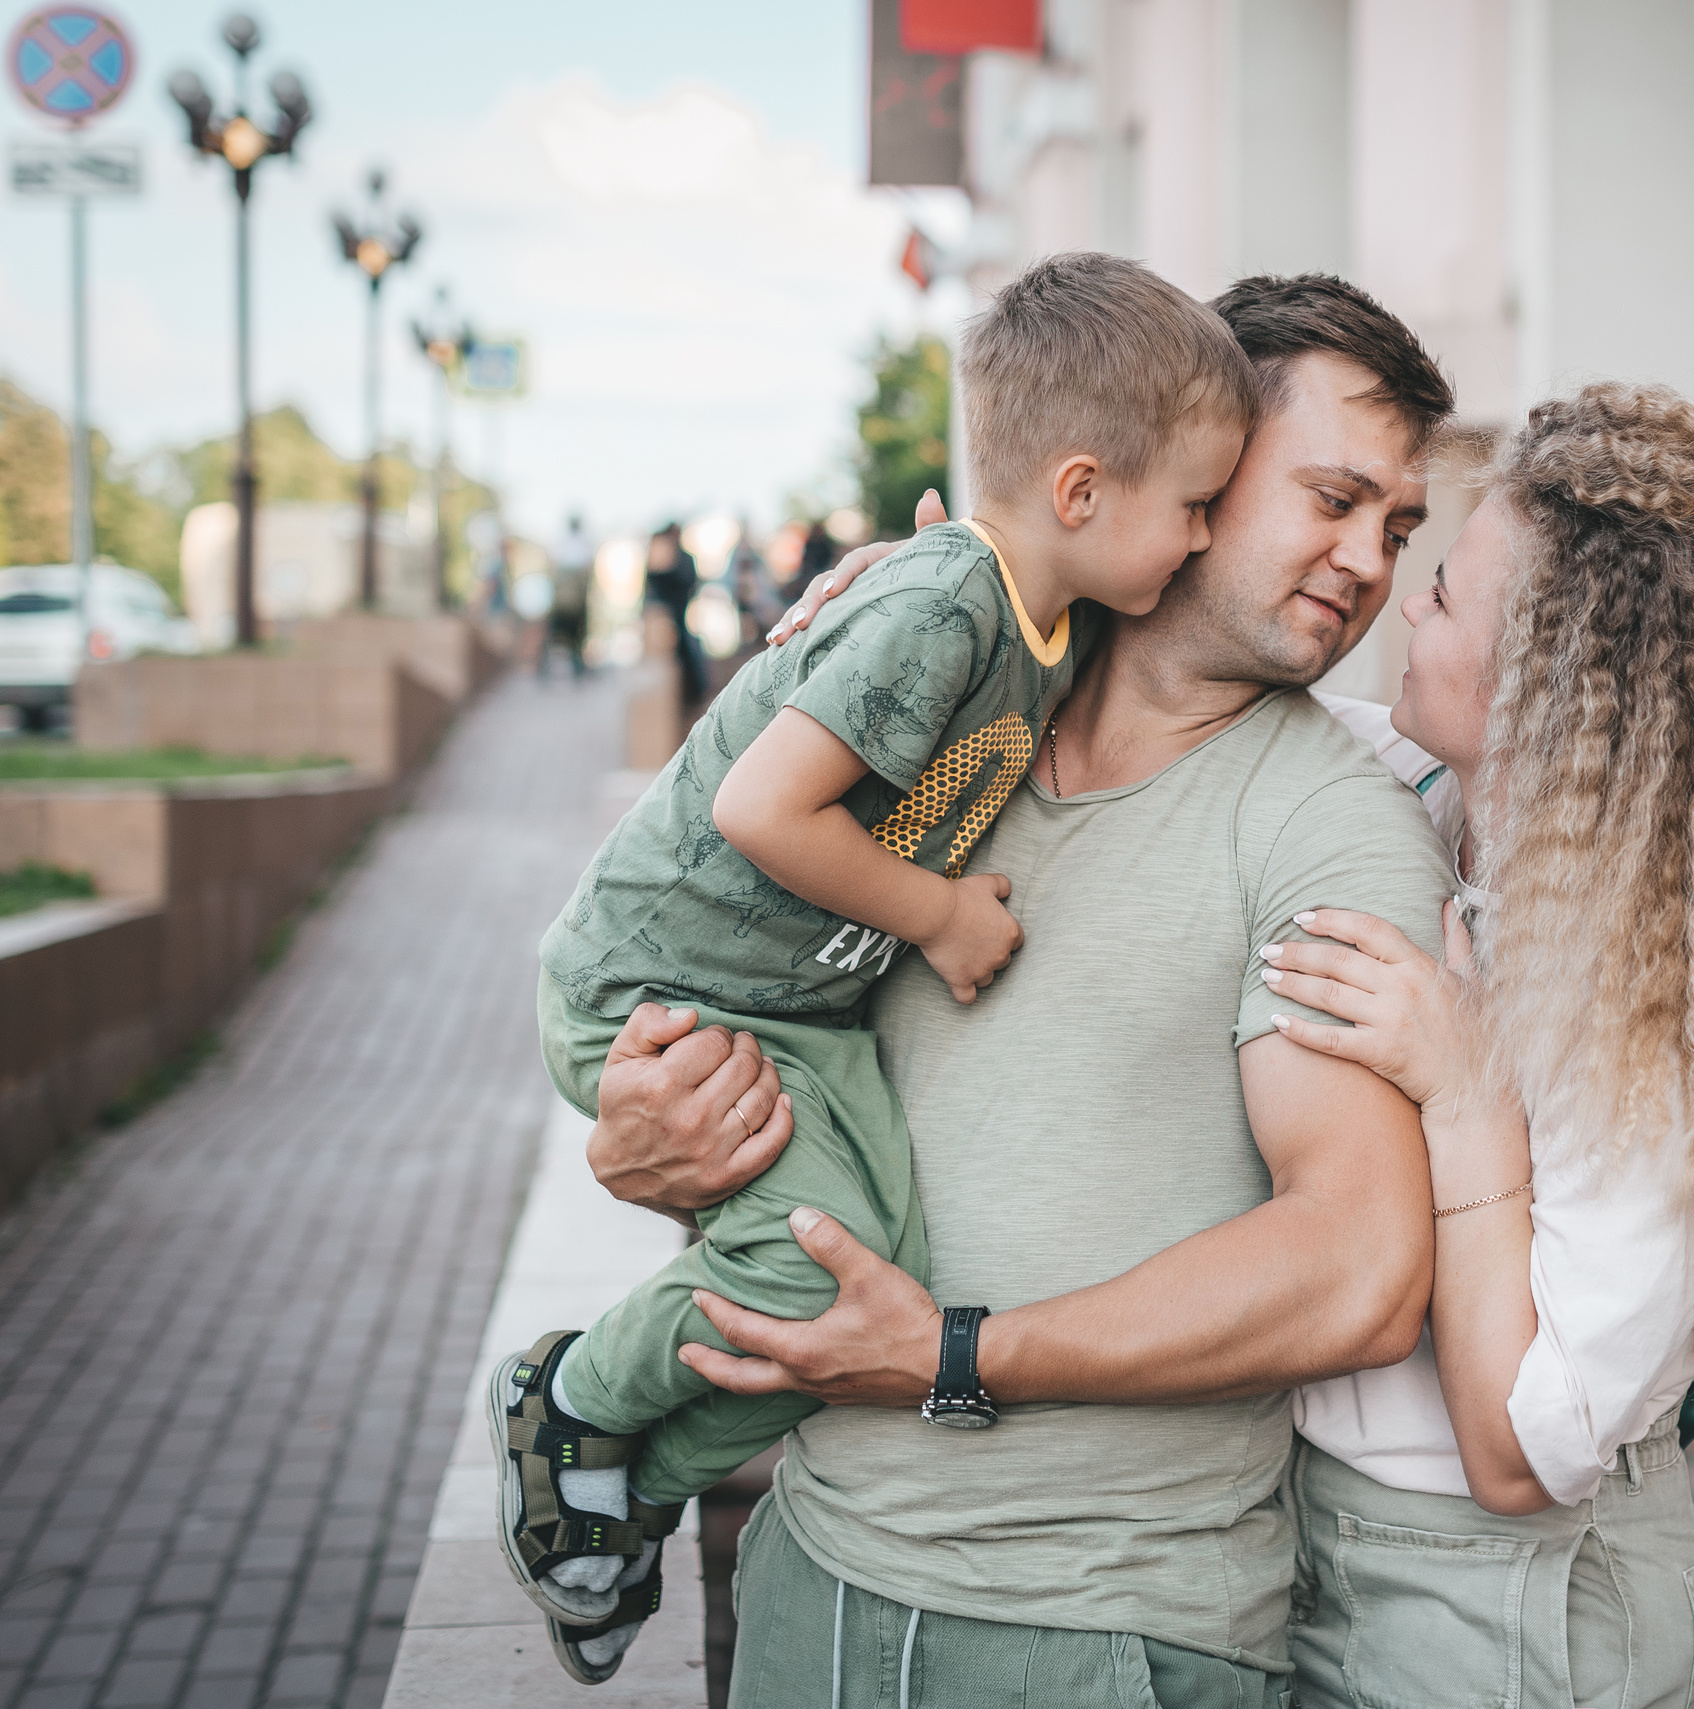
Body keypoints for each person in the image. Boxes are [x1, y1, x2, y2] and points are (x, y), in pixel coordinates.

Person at [581, 273, 1459, 1707]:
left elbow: (1355, 1268)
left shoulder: (1328, 822)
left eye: (1400, 527)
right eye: (1334, 498)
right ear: (1194, 465)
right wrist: (648, 1134)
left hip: (1105, 1630)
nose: (1368, 560)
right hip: (812, 1574)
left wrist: (954, 1357)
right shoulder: (938, 723)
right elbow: (737, 1006)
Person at [491, 253, 1257, 1684]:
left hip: (796, 996)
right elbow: (756, 807)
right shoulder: (945, 607)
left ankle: (627, 1490)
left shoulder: (1057, 608)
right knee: (801, 1270)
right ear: (1081, 492)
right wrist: (941, 916)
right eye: (1199, 504)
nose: (1209, 539)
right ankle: (570, 1398)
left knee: (868, 1283)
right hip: (669, 982)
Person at [1256, 383, 1694, 1706]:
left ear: (1545, 689)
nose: (1406, 601)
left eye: (1444, 589)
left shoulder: (1664, 1002)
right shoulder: (1425, 786)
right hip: (1329, 1553)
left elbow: (1523, 1449)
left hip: (1522, 1612)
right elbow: (1186, 704)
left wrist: (1465, 1092)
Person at [643, 521, 707, 703]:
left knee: (687, 654)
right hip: (663, 617)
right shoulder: (664, 555)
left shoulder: (680, 557)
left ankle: (694, 694)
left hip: (676, 615)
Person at [544, 512, 594, 679]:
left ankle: (550, 671)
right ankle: (576, 669)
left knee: (557, 637)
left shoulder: (562, 544)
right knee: (575, 637)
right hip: (574, 601)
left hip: (563, 600)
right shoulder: (582, 545)